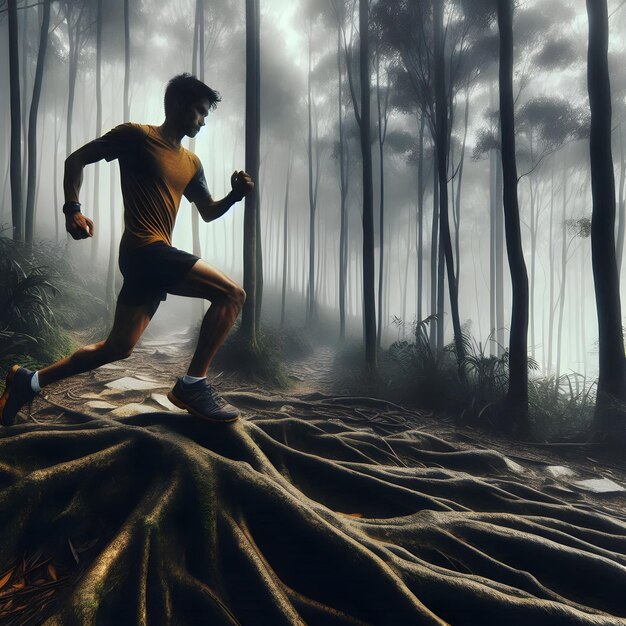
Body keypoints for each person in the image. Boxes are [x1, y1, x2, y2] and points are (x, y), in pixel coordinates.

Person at [0, 73, 253, 426]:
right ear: (178, 105)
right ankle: (193, 384)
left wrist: (234, 196)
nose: (204, 119)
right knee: (232, 295)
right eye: (199, 110)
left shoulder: (193, 164)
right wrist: (72, 209)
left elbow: (208, 212)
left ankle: (29, 381)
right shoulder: (137, 136)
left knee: (118, 348)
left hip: (151, 257)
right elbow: (76, 159)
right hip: (143, 249)